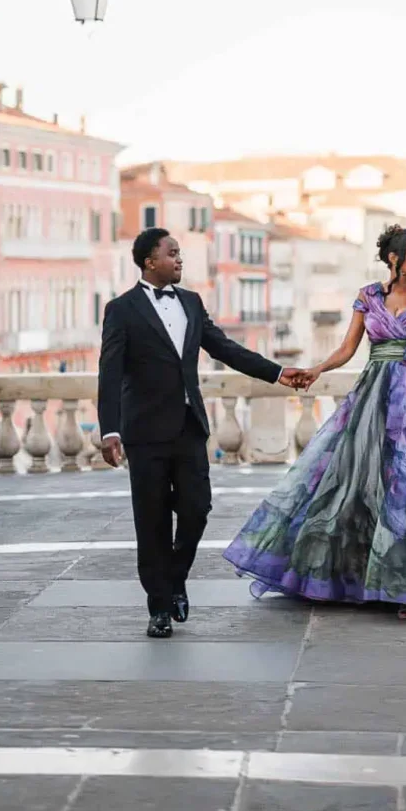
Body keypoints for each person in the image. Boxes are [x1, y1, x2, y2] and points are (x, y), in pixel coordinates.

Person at [223, 224, 406, 617]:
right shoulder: (368, 297)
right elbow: (347, 347)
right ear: (393, 259)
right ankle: (354, 577)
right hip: (374, 397)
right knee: (357, 481)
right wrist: (318, 368)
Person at [98, 227, 310, 638]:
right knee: (152, 521)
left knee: (197, 509)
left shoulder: (192, 303)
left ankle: (175, 577)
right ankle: (159, 606)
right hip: (143, 433)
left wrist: (279, 373)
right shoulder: (121, 310)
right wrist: (110, 430)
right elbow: (110, 373)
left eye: (179, 254)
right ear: (149, 262)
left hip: (188, 427)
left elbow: (225, 348)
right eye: (172, 253)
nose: (180, 260)